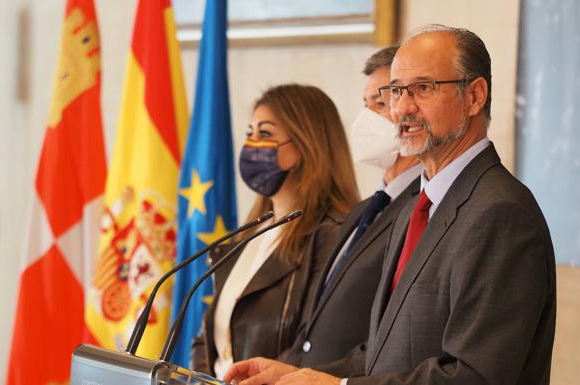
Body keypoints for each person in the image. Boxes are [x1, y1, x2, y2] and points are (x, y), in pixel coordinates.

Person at [224, 24, 557, 385]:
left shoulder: (499, 213)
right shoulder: (416, 208)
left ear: (475, 96)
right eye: (396, 91)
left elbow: (475, 375)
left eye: (423, 88)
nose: (403, 107)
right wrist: (305, 375)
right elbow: (386, 353)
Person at [189, 84, 360, 377]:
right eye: (249, 135)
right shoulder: (250, 234)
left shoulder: (335, 235)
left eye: (265, 134)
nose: (252, 145)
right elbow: (208, 338)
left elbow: (317, 343)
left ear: (308, 143)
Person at [278, 46, 422, 367]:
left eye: (381, 103)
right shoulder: (362, 211)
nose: (366, 118)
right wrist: (283, 371)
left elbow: (399, 333)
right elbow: (316, 322)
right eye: (365, 104)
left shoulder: (423, 211)